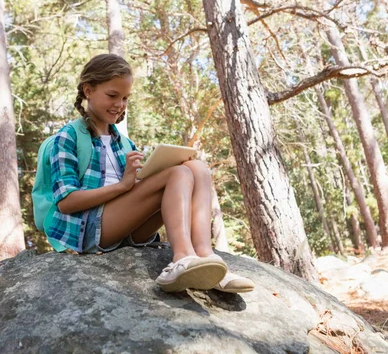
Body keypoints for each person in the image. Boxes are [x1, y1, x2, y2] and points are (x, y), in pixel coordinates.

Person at [46, 53, 254, 294]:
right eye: (112, 95)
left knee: (196, 168)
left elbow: (134, 191)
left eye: (125, 98)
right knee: (178, 175)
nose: (119, 104)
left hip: (128, 228)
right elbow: (66, 203)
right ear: (88, 90)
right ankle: (182, 258)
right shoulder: (68, 136)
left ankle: (207, 258)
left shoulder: (123, 143)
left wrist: (138, 180)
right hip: (90, 229)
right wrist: (123, 186)